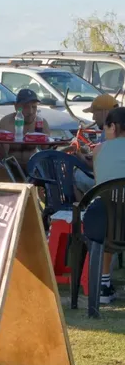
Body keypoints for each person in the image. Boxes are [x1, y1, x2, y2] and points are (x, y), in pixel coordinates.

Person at [81, 106, 125, 304]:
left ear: (113, 127)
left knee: (107, 207)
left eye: (105, 128)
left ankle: (104, 284)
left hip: (104, 226)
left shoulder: (98, 150)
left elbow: (101, 185)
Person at [0, 89, 50, 178]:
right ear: (16, 107)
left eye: (34, 107)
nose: (30, 112)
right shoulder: (6, 123)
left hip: (33, 169)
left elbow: (47, 152)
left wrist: (42, 138)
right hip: (10, 168)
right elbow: (1, 156)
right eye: (26, 107)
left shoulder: (41, 123)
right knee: (0, 168)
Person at [74, 94, 119, 197]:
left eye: (94, 113)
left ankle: (82, 207)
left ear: (104, 112)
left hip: (109, 186)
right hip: (118, 184)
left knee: (74, 176)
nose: (93, 117)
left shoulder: (108, 132)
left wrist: (81, 157)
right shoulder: (117, 128)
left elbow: (98, 166)